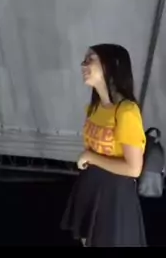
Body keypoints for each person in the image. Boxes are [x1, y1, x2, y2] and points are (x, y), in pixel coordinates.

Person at [61, 44, 147, 247]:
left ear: (111, 65)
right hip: (91, 188)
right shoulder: (94, 107)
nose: (83, 64)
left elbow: (133, 169)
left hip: (114, 197)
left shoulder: (126, 112)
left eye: (90, 59)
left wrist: (91, 157)